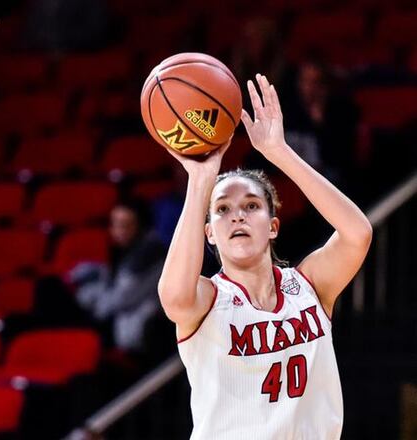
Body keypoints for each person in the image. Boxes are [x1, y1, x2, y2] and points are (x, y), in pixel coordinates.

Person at [157, 74, 372, 439]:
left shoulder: (309, 286)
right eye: (223, 209)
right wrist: (201, 180)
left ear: (273, 226)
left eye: (251, 205)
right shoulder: (208, 299)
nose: (237, 215)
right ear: (209, 232)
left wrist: (279, 153)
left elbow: (358, 233)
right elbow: (174, 297)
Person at [71, 201, 165, 355]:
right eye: (115, 224)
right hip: (120, 324)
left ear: (141, 226)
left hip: (141, 337)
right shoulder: (122, 250)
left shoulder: (150, 253)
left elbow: (123, 297)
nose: (118, 231)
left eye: (125, 225)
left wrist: (87, 301)